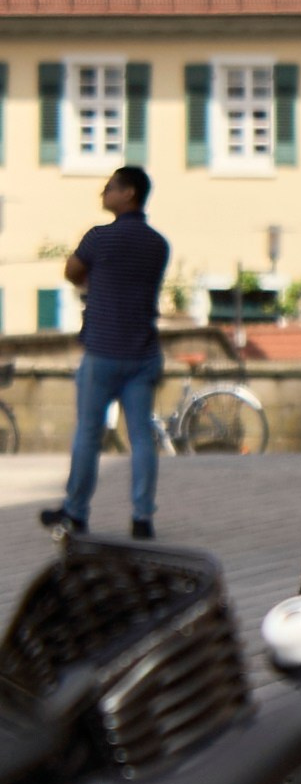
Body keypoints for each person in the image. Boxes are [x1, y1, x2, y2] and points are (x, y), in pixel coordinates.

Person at [41, 166, 168, 542]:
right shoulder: (158, 244)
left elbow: (71, 271)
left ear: (128, 193)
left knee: (88, 433)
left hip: (103, 351)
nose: (103, 194)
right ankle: (142, 517)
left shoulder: (99, 239)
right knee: (142, 436)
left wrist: (93, 278)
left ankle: (76, 511)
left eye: (109, 188)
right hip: (144, 352)